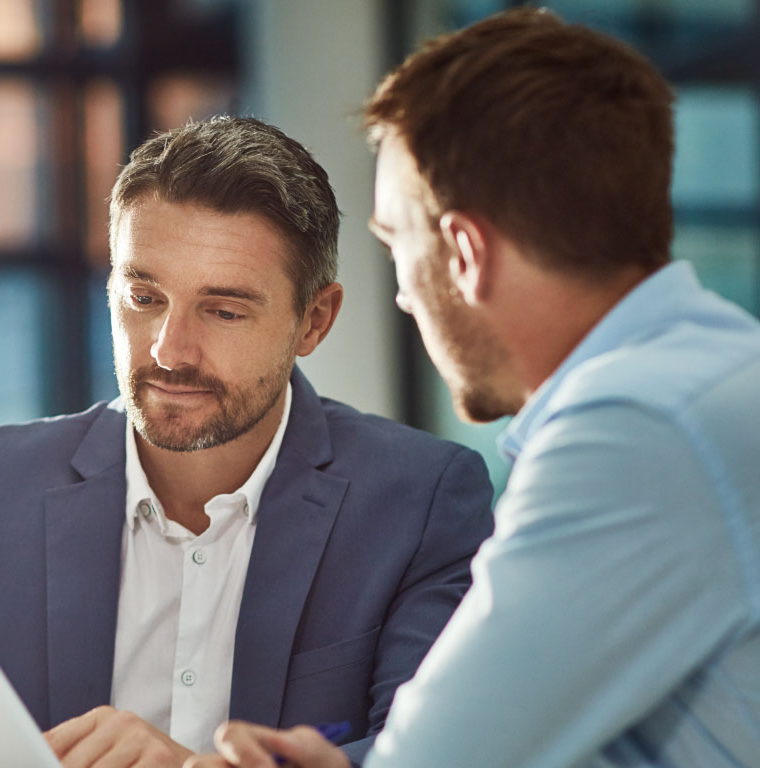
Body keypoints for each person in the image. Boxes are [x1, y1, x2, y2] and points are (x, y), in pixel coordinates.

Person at [0, 116, 494, 768]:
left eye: (224, 311)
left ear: (313, 322)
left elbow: (442, 751)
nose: (170, 349)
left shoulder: (421, 501)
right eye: (144, 298)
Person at [191, 9, 760, 768]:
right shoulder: (716, 373)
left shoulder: (634, 429)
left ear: (463, 251)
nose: (400, 295)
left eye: (397, 244)